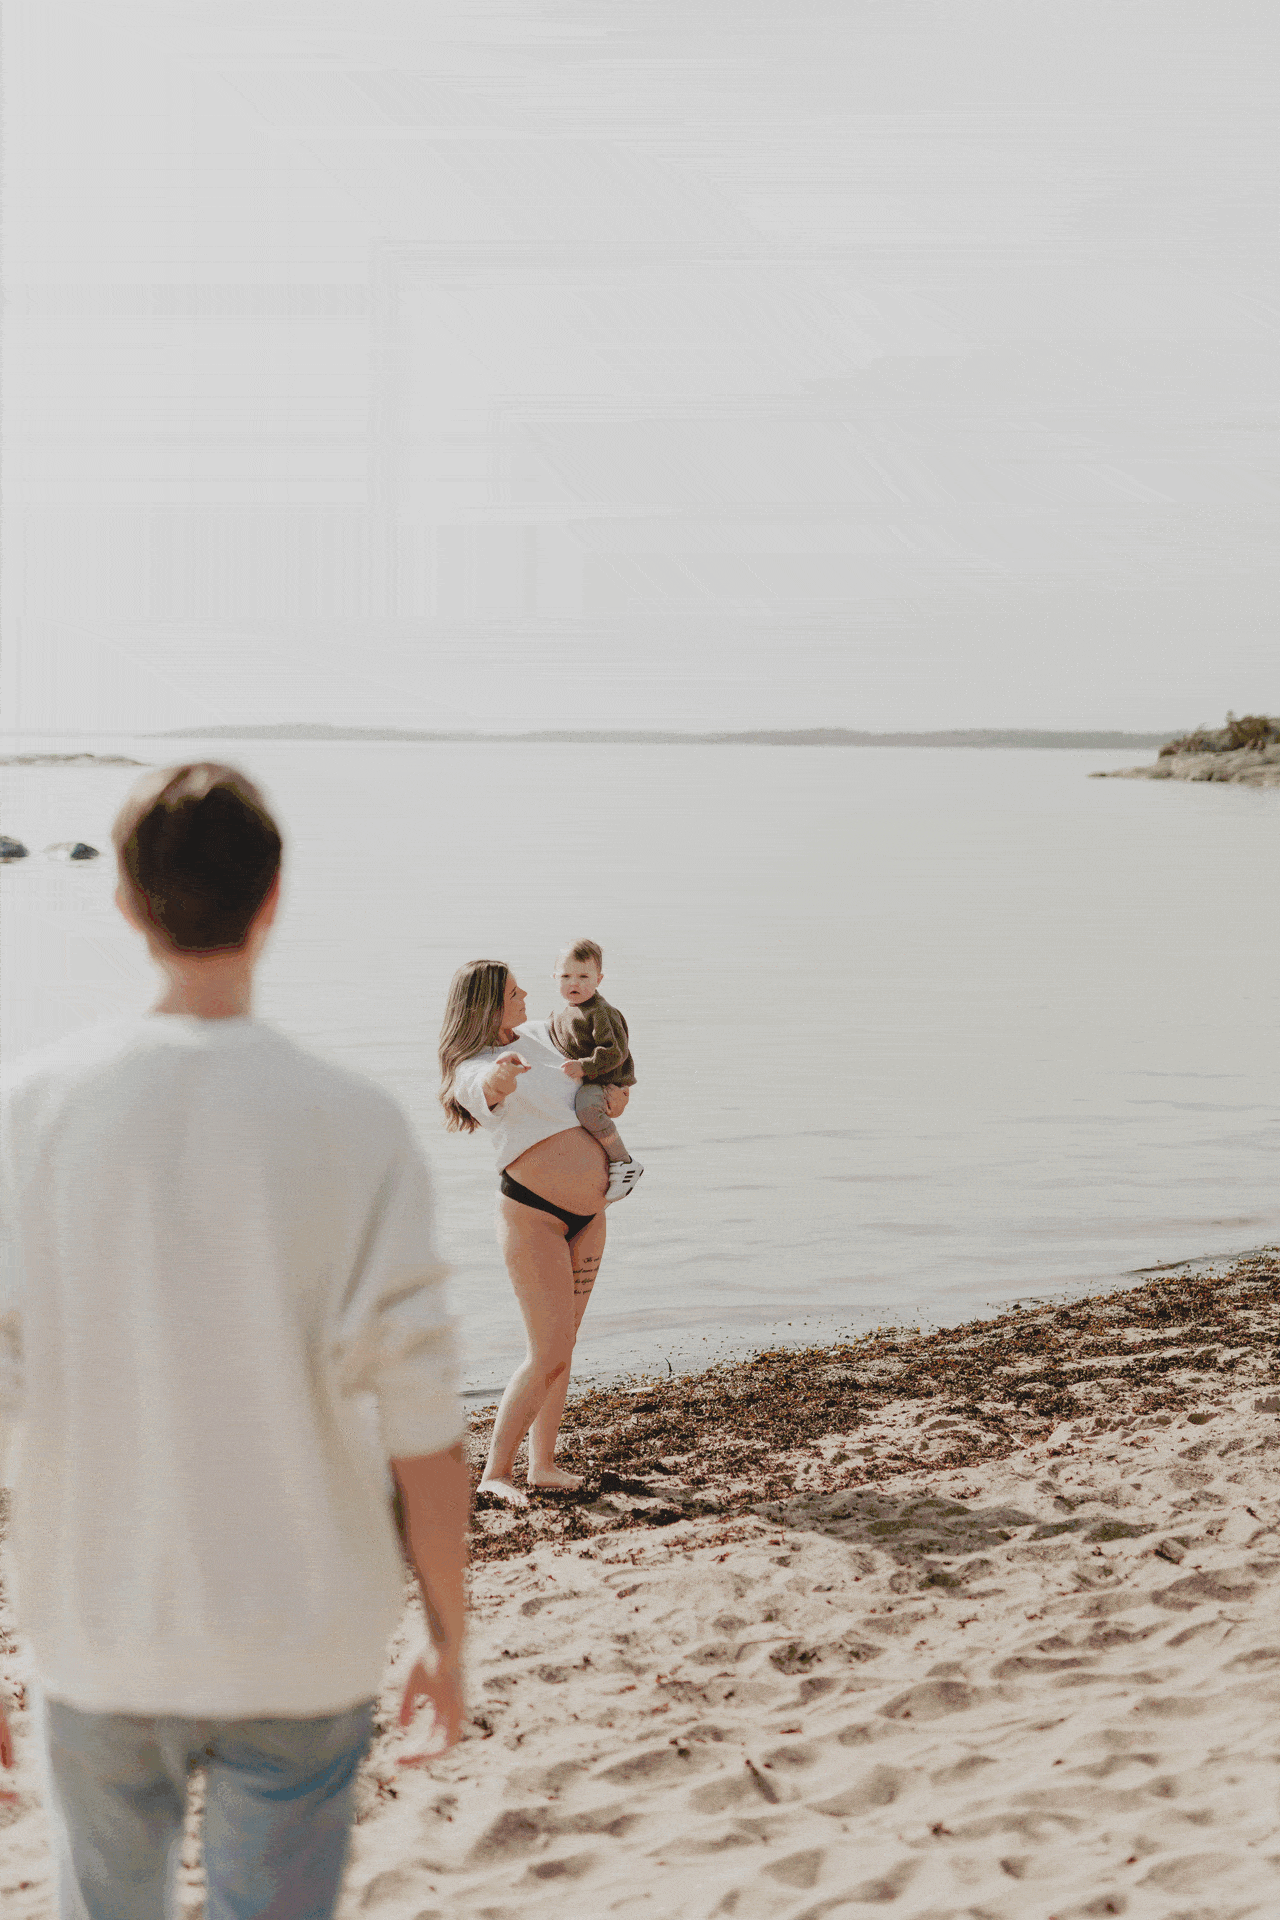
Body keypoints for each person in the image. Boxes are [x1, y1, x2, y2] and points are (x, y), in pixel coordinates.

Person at [0, 763, 468, 1920]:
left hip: (98, 1633)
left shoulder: (32, 1111)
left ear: (125, 902)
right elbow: (422, 1421)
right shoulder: (357, 1124)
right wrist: (447, 1635)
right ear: (272, 899)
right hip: (301, 1637)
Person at [438, 959, 631, 1508]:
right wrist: (502, 1075)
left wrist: (617, 1093)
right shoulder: (473, 1066)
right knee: (547, 1349)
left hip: (589, 1217)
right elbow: (486, 1088)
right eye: (512, 993)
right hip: (534, 1215)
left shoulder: (543, 1036)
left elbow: (600, 1072)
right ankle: (495, 1473)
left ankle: (543, 1465)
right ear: (485, 1006)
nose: (525, 996)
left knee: (563, 1347)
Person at [548, 939, 644, 1204]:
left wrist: (585, 1066)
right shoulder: (561, 1013)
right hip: (589, 1078)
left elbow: (615, 1051)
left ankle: (623, 1161)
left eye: (583, 977)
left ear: (598, 980)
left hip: (606, 1079)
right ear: (555, 977)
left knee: (588, 1109)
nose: (574, 983)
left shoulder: (601, 1012)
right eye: (566, 976)